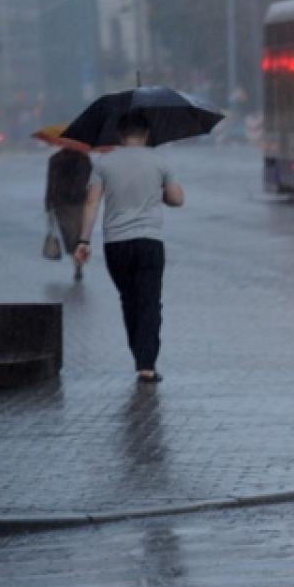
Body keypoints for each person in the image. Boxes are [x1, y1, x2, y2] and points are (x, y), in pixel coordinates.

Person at [74, 109, 185, 383]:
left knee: (129, 300)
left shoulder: (103, 163)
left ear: (120, 134)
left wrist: (83, 240)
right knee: (149, 302)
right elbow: (177, 199)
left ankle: (139, 353)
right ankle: (146, 363)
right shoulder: (160, 161)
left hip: (116, 244)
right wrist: (158, 192)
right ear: (146, 133)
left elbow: (91, 203)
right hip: (149, 241)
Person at [44, 146, 92, 280]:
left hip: (61, 203)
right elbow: (90, 180)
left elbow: (51, 183)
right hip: (79, 202)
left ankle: (77, 262)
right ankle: (79, 264)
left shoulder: (55, 159)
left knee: (70, 237)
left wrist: (48, 203)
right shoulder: (84, 159)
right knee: (79, 236)